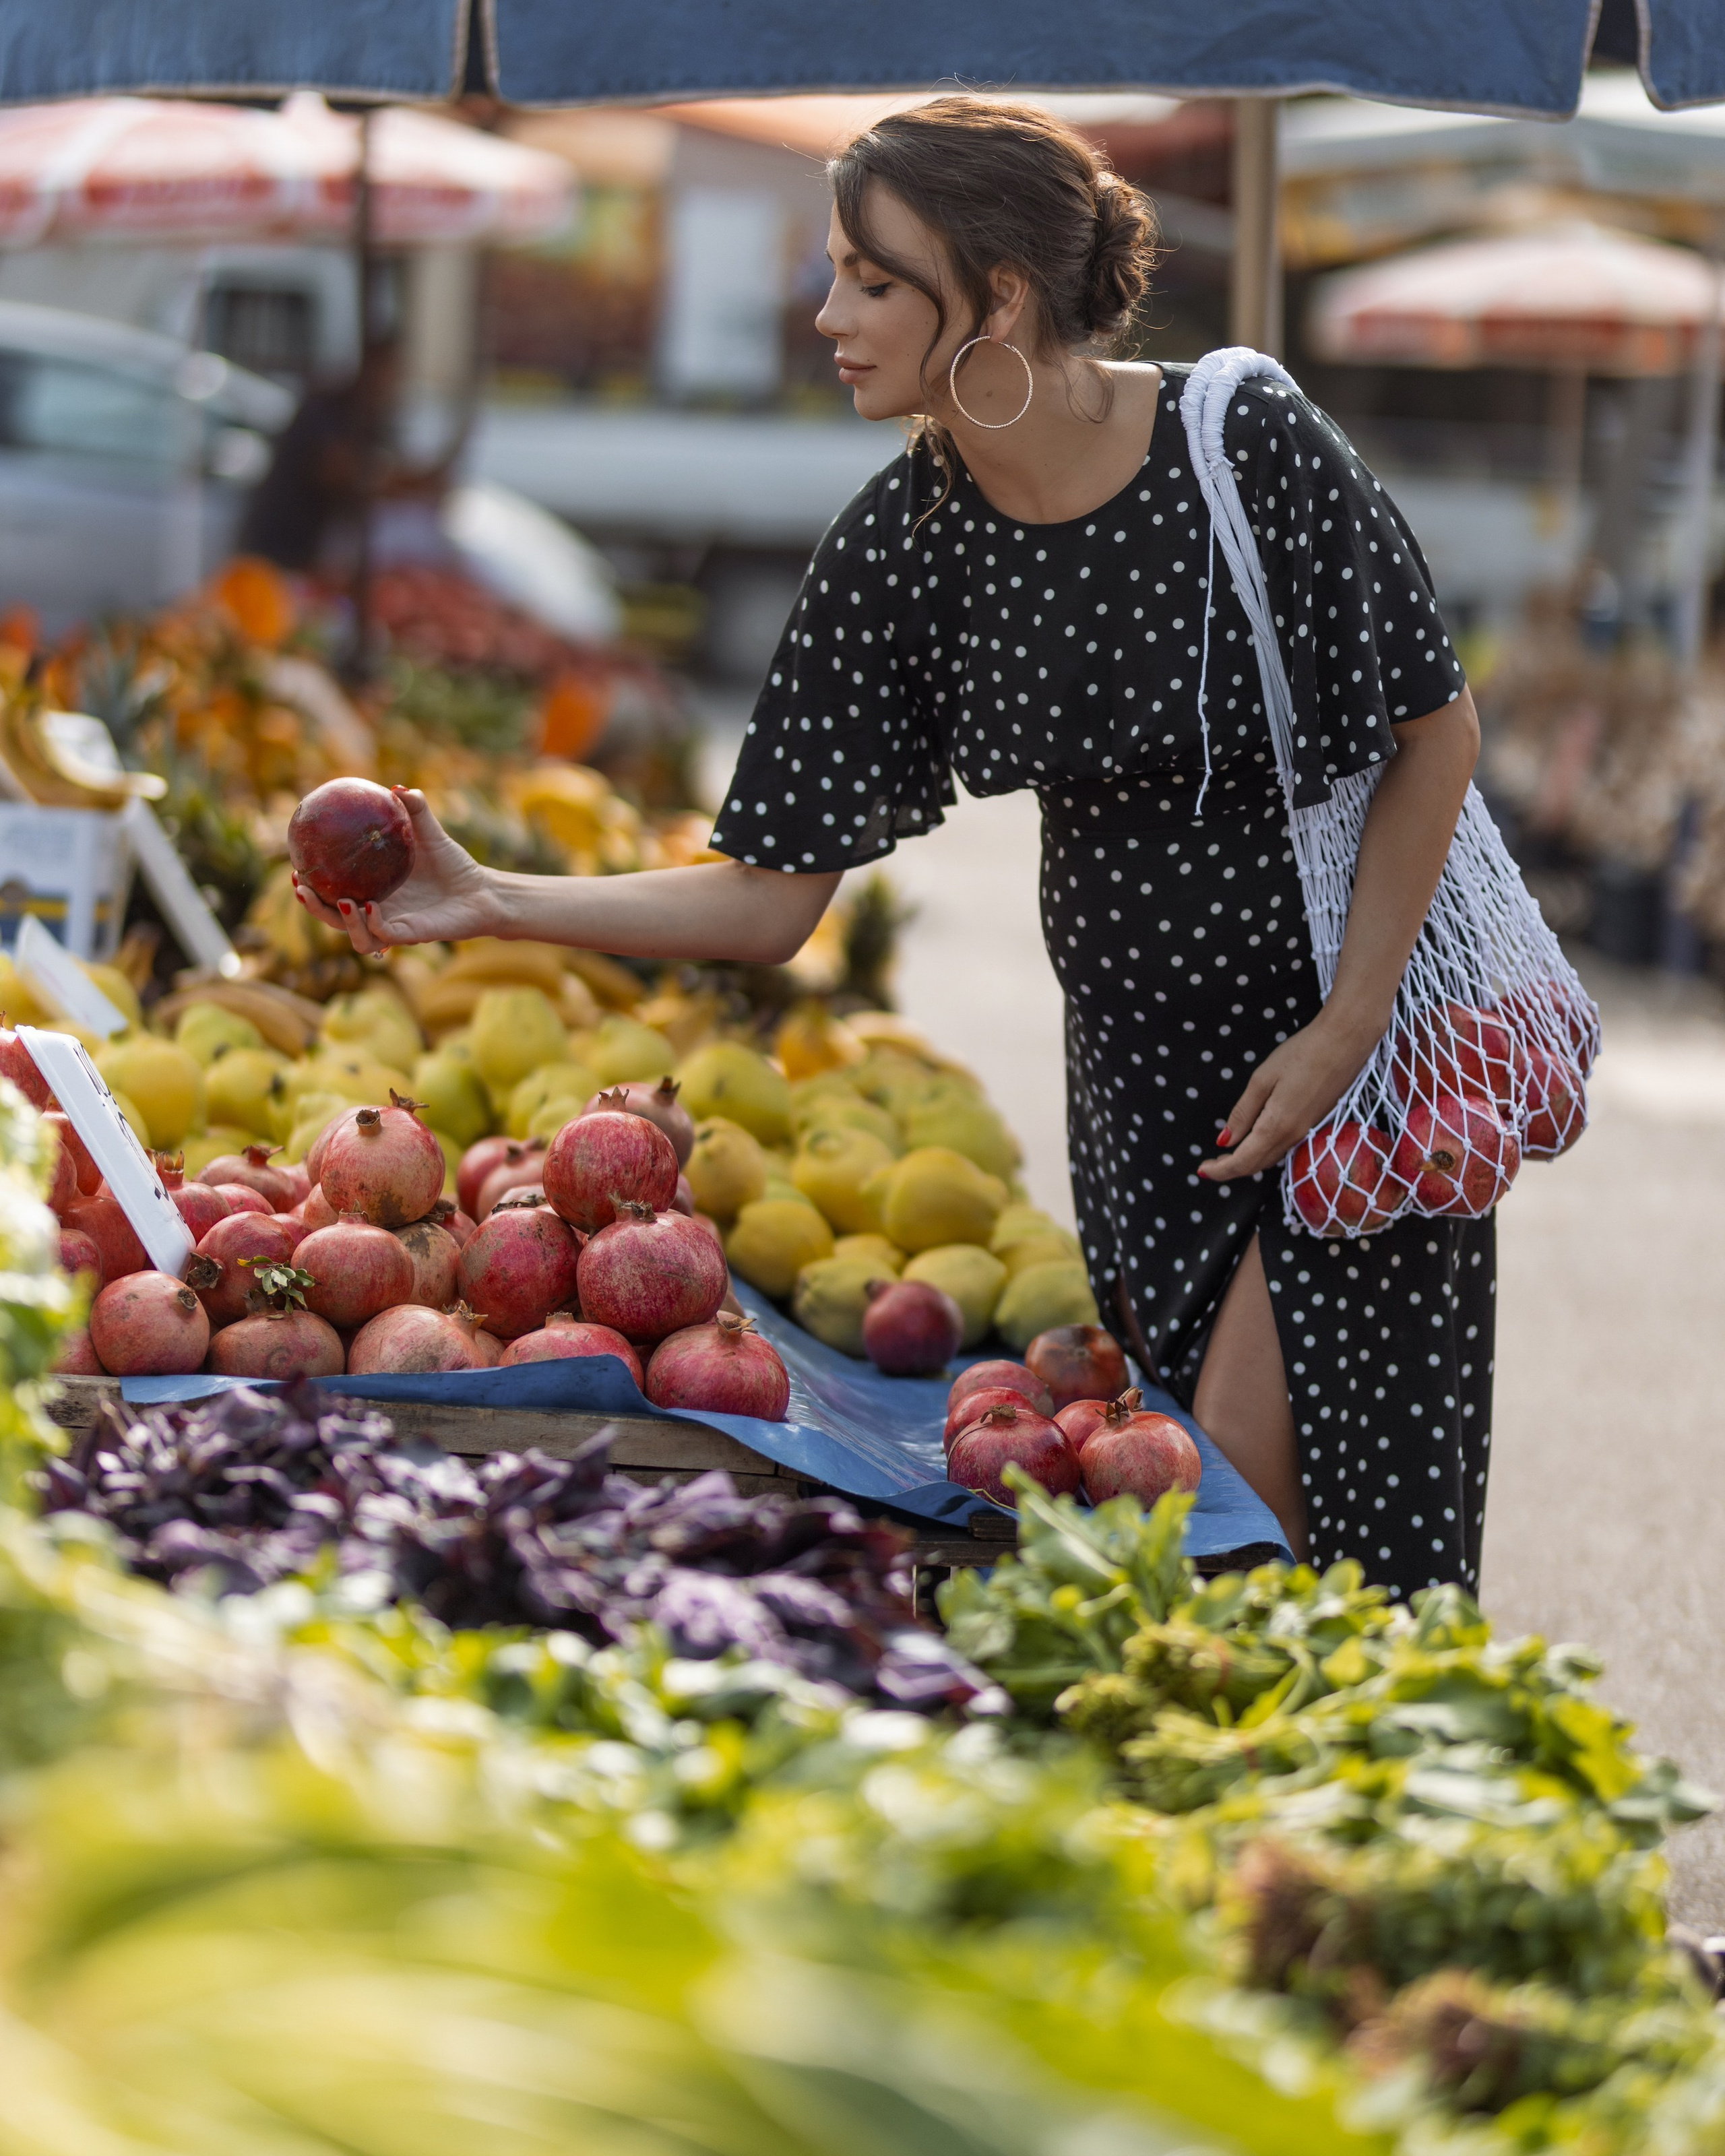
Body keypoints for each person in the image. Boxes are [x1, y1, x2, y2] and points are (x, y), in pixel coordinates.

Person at [299, 96, 1489, 1597]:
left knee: (1247, 1528)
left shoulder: (1239, 444)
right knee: (1191, 1517)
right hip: (1145, 1102)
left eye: (870, 280)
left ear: (992, 298)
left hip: (1347, 1070)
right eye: (832, 274)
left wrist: (1347, 1026)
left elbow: (1428, 729)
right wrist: (484, 899)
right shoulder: (907, 541)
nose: (826, 315)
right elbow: (766, 893)